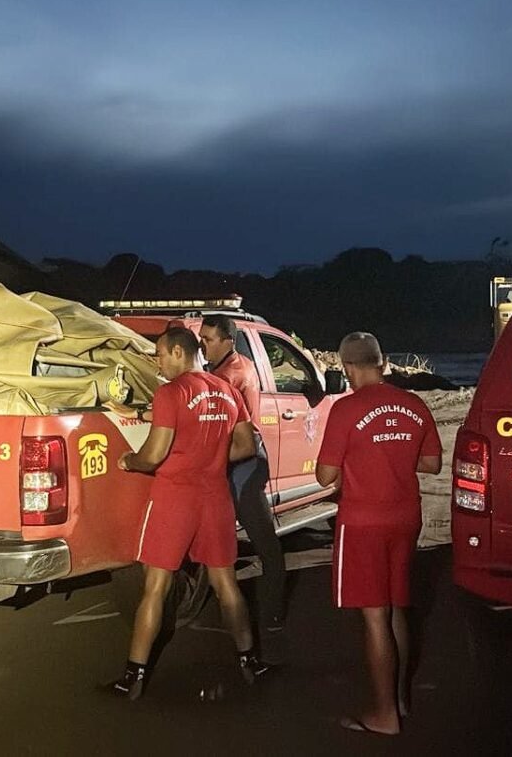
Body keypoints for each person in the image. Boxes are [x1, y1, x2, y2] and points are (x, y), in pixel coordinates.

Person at [111, 326, 264, 699]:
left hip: (175, 498)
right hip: (216, 497)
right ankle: (250, 663)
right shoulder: (228, 391)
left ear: (179, 352)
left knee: (156, 587)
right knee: (226, 584)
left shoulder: (171, 392)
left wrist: (129, 460)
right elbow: (247, 446)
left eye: (160, 355)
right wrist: (210, 458)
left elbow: (153, 455)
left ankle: (133, 678)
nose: (158, 363)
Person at [315, 332, 442, 735]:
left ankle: (384, 715)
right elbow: (432, 463)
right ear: (382, 362)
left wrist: (364, 457)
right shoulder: (414, 404)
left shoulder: (345, 409)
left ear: (347, 367)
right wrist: (392, 456)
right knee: (397, 606)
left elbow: (325, 476)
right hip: (405, 517)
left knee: (374, 616)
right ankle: (399, 698)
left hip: (363, 522)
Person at [198, 314, 287, 663]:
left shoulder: (229, 375)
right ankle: (249, 612)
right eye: (200, 339)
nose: (203, 345)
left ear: (227, 341)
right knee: (228, 540)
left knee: (262, 539)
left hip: (242, 461)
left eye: (208, 339)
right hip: (233, 459)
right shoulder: (231, 366)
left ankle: (272, 615)